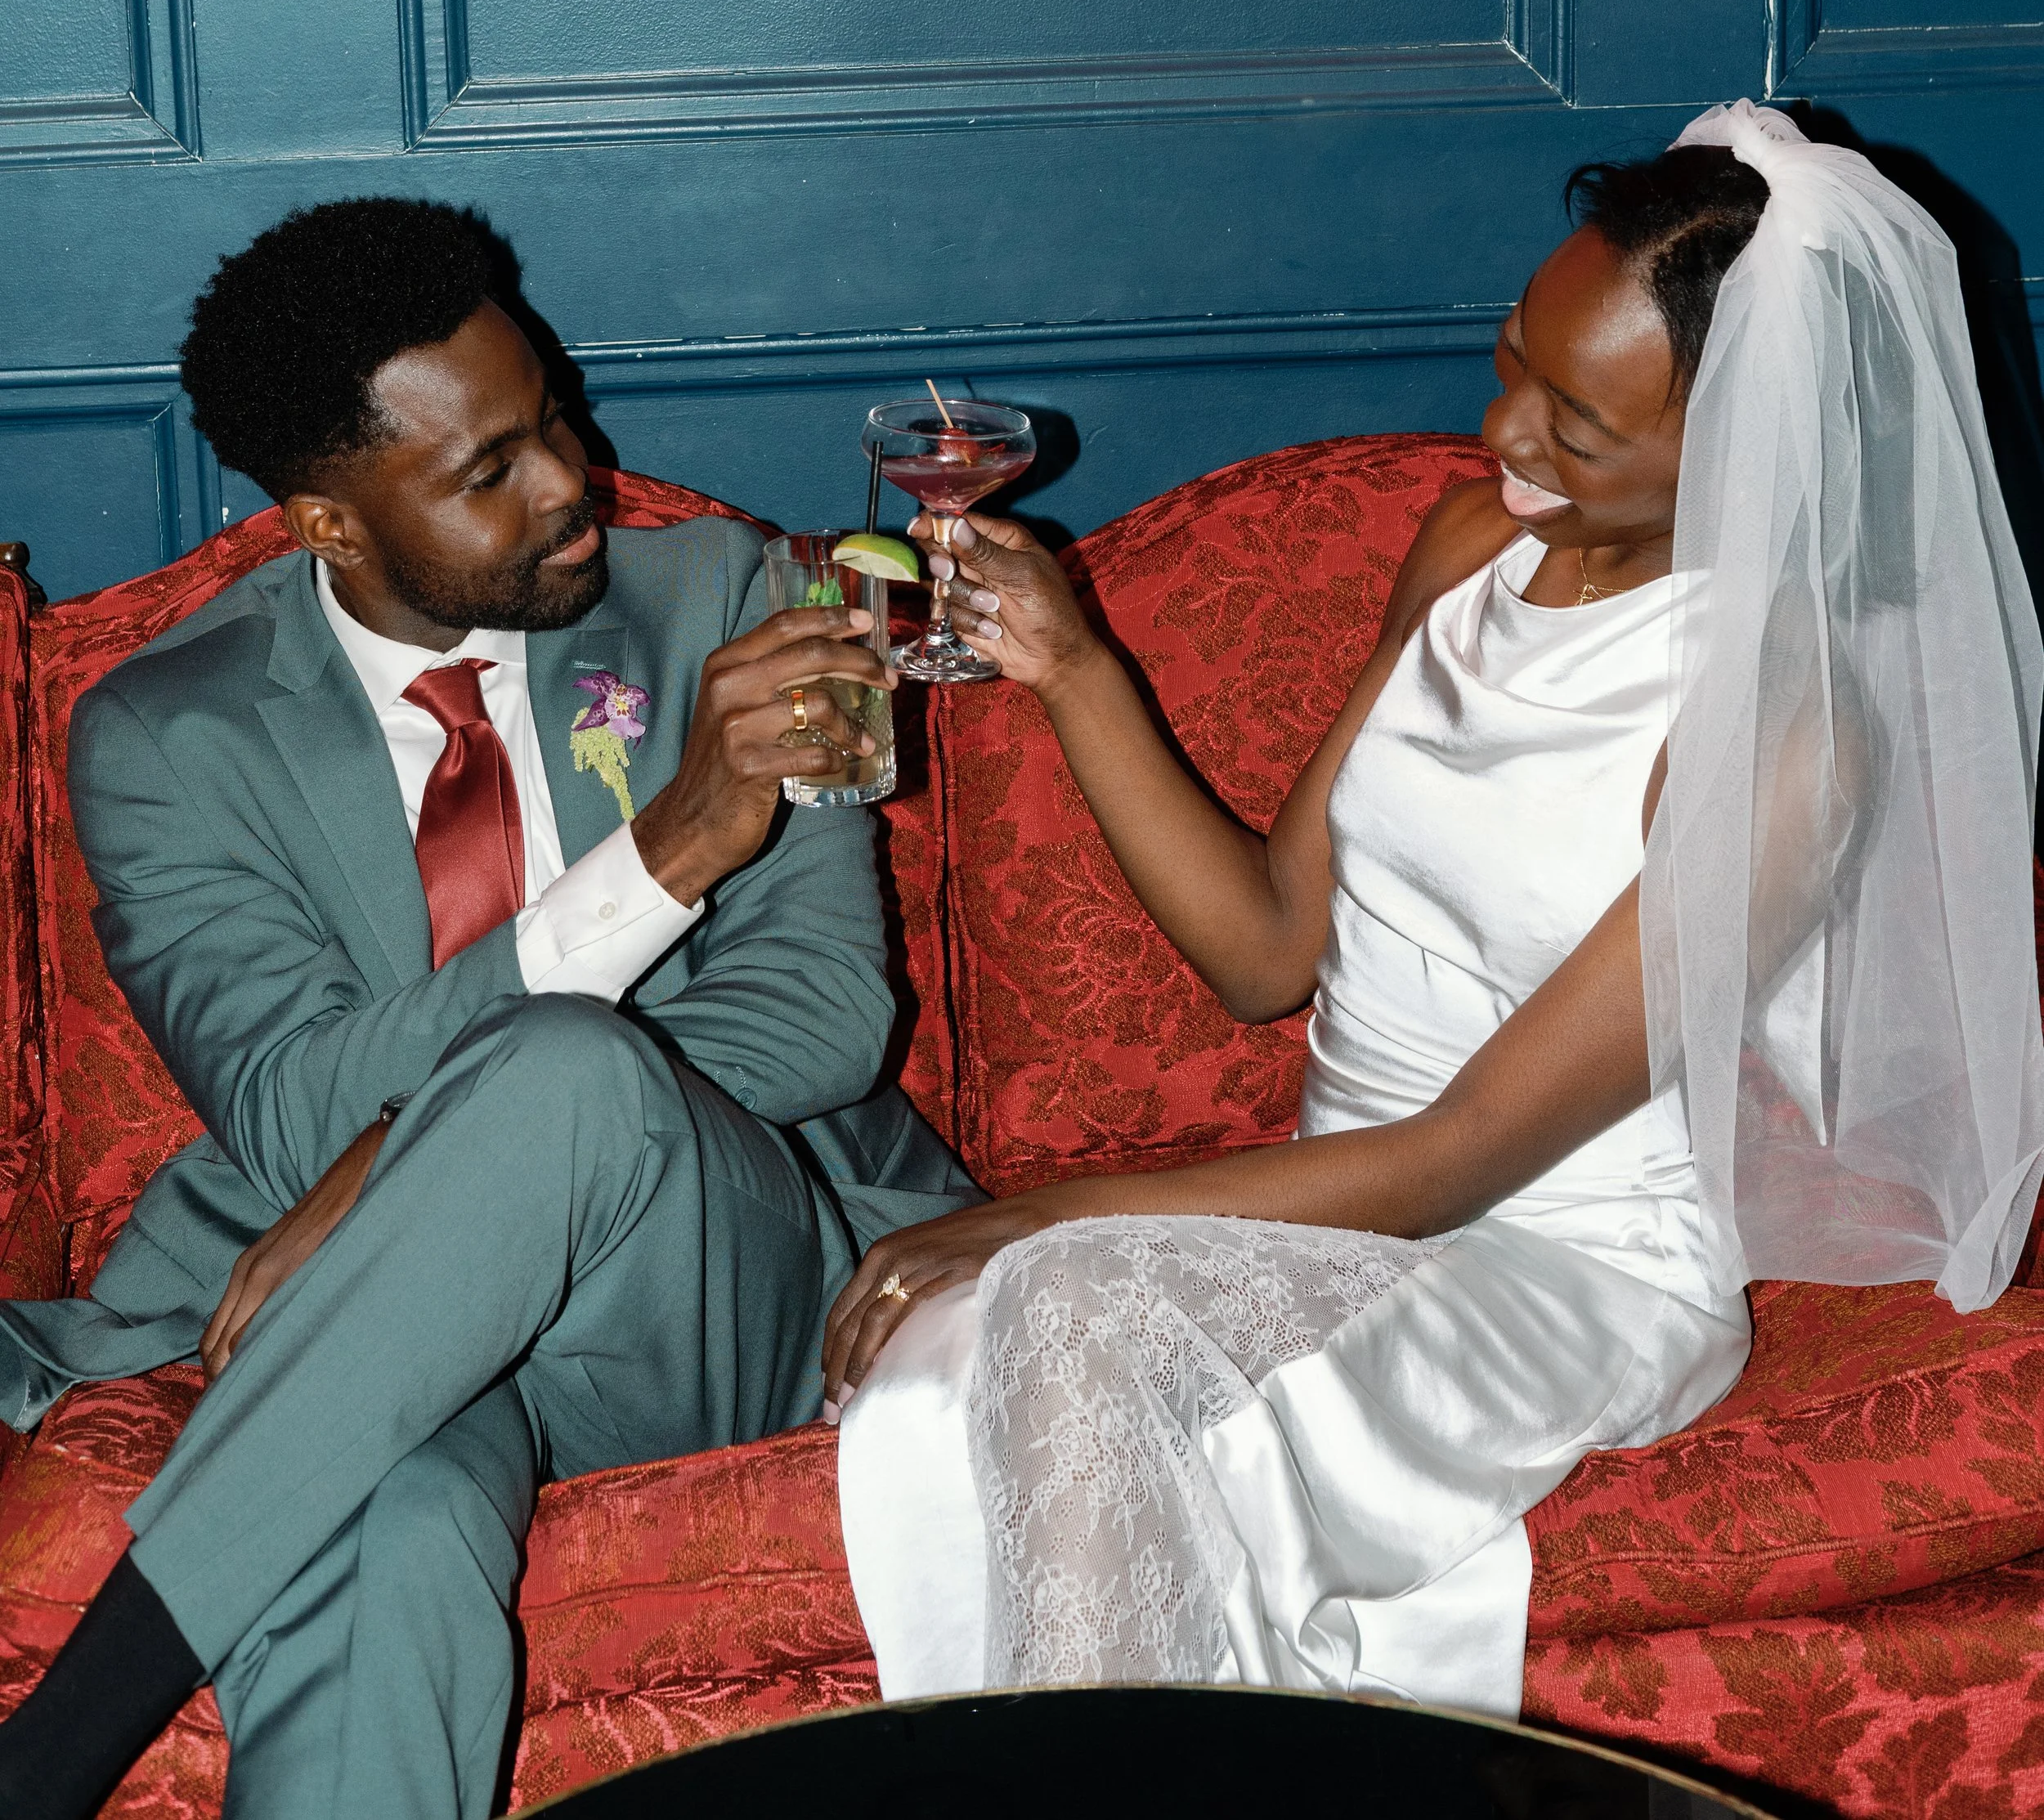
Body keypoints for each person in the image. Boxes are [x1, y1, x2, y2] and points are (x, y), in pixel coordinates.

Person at [827, 102, 2044, 1713]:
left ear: (1757, 446)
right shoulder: (1475, 542)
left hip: (1566, 1262)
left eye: (1578, 426)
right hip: (1337, 1214)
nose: (1505, 433)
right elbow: (1267, 947)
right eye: (1514, 362)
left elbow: (1461, 1156)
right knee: (934, 1387)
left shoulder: (1781, 734)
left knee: (1067, 1315)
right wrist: (1069, 666)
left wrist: (1034, 1215)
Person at [0, 199, 976, 1820]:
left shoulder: (732, 602)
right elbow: (291, 1113)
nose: (572, 481)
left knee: (568, 1070)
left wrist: (441, 1153)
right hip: (378, 1350)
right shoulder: (168, 735)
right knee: (387, 1522)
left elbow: (819, 1019)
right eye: (489, 470)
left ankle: (51, 1759)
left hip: (713, 1288)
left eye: (556, 418)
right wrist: (667, 851)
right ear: (329, 522)